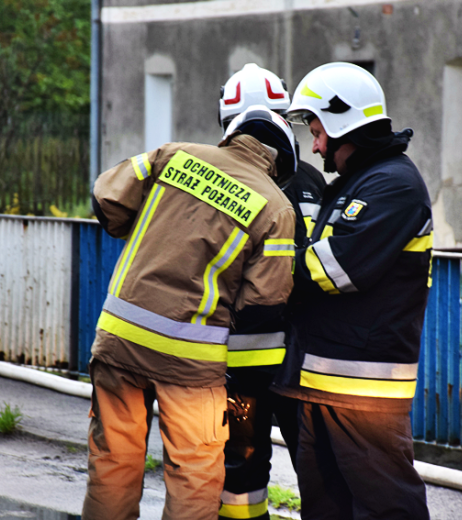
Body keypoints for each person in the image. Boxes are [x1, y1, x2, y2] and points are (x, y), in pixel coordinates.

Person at [82, 106, 298, 520]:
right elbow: (262, 306)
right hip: (192, 361)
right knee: (194, 473)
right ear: (279, 162)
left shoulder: (173, 156)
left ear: (232, 135)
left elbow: (106, 198)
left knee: (113, 460)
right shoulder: (277, 208)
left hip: (120, 337)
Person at [273, 62, 433, 519]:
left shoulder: (393, 185)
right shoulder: (359, 182)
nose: (316, 144)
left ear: (345, 123)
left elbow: (330, 270)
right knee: (326, 510)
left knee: (386, 509)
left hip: (362, 392)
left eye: (319, 130)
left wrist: (261, 262)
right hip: (322, 384)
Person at [216, 63, 326, 520]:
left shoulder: (216, 181)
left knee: (240, 467)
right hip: (301, 362)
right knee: (319, 468)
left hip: (239, 368)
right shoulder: (314, 184)